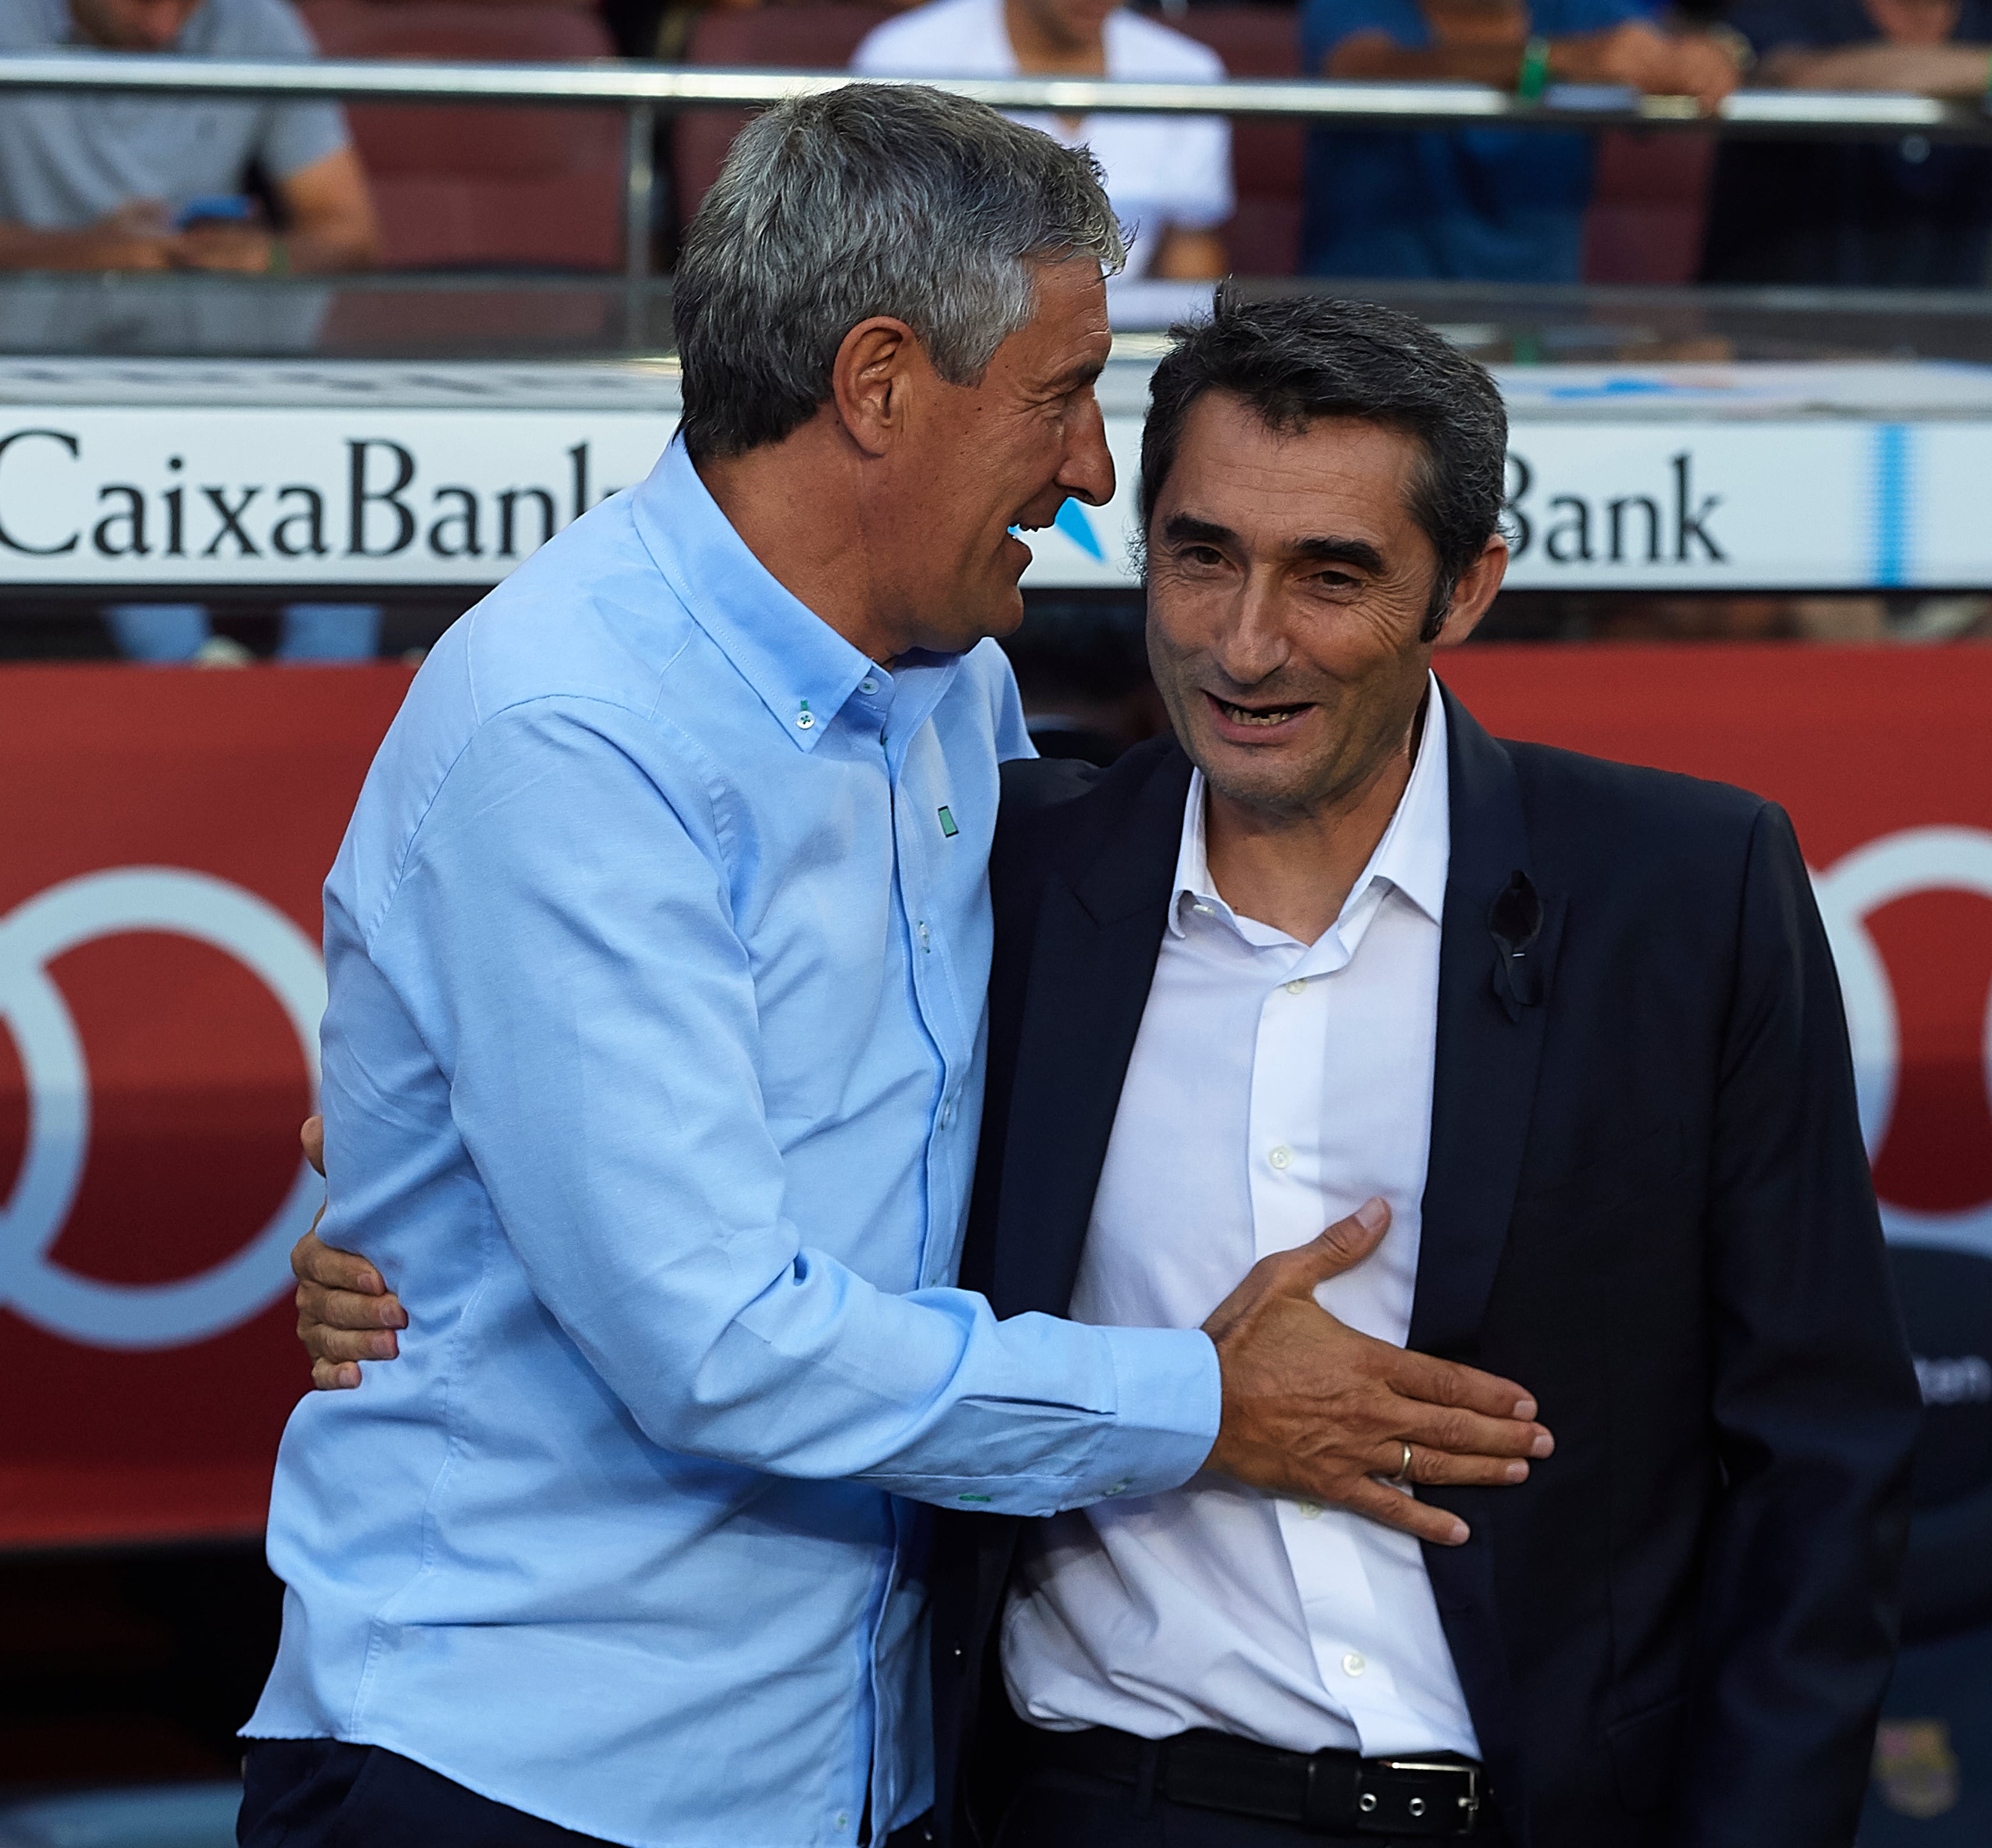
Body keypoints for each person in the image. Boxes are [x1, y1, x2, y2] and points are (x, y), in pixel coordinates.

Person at [300, 290, 1922, 1848]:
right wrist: (420, 1197)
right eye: (1200, 556)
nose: (1245, 639)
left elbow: (1819, 1456)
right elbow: (661, 1098)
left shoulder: (1683, 892)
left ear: (1467, 587)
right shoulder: (1012, 871)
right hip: (1087, 1804)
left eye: (1332, 575)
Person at [249, 87, 1551, 1848]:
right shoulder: (571, 730)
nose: (1092, 468)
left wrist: (413, 1155)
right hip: (522, 1773)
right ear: (878, 384)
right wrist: (1204, 1405)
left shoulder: (950, 684)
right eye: (1057, 394)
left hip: (855, 1769)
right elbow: (708, 1339)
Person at [0, 0, 387, 665]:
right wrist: (81, 252)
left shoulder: (256, 23)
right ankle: (192, 677)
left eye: (186, 3)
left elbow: (347, 232)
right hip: (7, 372)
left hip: (197, 364)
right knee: (101, 432)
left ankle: (339, 697)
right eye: (139, 2)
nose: (164, 26)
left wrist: (263, 256)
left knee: (347, 440)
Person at [1299, 0, 1738, 280]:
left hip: (1536, 338)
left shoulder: (1581, 11)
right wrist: (1549, 60)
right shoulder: (1353, 10)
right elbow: (1364, 66)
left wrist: (1704, 59)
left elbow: (1660, 57)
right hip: (1370, 335)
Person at [853, 0, 1233, 280]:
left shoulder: (1187, 70)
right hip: (956, 342)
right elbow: (887, 250)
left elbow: (1190, 249)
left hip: (1126, 347)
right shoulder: (904, 55)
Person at [1700, 0, 1992, 287]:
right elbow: (1790, 76)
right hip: (1773, 319)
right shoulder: (1785, 10)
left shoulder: (1981, 17)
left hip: (1955, 322)